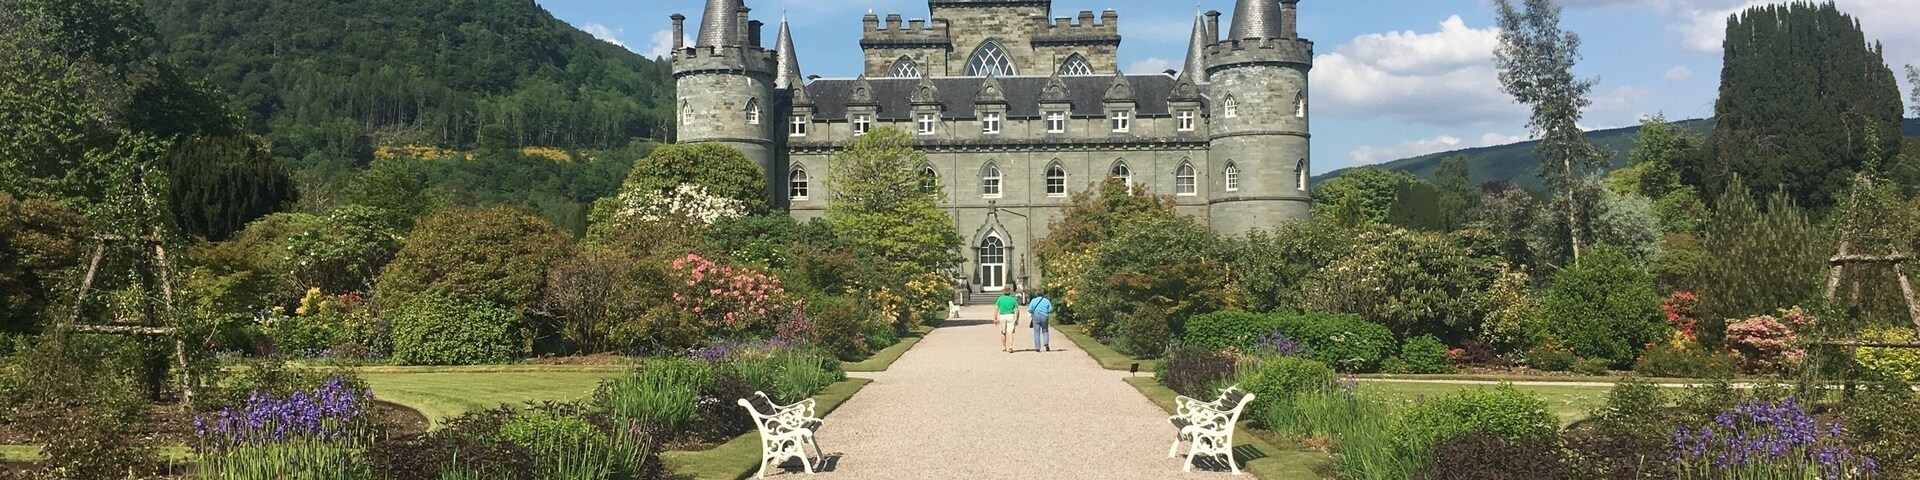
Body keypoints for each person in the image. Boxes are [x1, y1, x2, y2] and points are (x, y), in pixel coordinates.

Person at [995, 285, 1020, 353]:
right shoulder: (1012, 299)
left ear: (1003, 292)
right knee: (1010, 332)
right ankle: (1010, 347)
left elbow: (996, 309)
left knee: (1003, 332)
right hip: (1011, 315)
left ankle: (1004, 347)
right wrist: (1017, 319)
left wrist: (995, 318)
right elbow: (1017, 310)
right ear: (1010, 292)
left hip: (1002, 315)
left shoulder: (1000, 299)